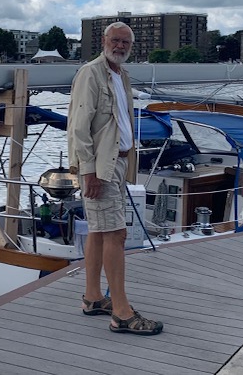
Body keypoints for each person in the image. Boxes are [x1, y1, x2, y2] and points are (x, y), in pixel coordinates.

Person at [67, 21, 163, 335]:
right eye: (115, 40)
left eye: (125, 43)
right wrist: (89, 171)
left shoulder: (122, 75)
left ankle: (93, 297)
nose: (120, 46)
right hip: (101, 166)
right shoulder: (91, 73)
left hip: (118, 162)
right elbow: (79, 127)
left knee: (99, 230)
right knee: (116, 234)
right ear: (104, 41)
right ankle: (121, 312)